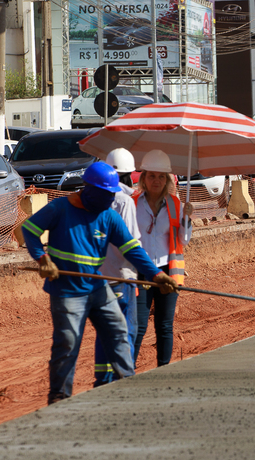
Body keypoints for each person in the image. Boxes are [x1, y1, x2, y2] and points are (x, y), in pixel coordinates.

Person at [22, 161, 176, 405]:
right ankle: (59, 396)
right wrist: (42, 259)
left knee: (118, 332)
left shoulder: (109, 216)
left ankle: (126, 382)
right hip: (67, 290)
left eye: (111, 195)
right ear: (88, 189)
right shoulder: (61, 208)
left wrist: (157, 275)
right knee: (69, 341)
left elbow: (132, 249)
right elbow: (29, 229)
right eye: (105, 194)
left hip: (97, 287)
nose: (109, 200)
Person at [133, 149, 193, 368]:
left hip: (168, 270)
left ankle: (164, 369)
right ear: (143, 178)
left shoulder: (176, 205)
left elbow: (184, 240)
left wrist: (187, 218)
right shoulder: (133, 203)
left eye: (161, 176)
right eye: (151, 176)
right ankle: (126, 372)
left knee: (164, 325)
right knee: (138, 325)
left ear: (167, 180)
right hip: (140, 271)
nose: (156, 180)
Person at [94, 148, 140, 386]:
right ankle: (124, 378)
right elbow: (132, 243)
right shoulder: (124, 201)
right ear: (130, 174)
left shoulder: (94, 197)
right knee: (126, 330)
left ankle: (102, 379)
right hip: (122, 277)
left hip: (98, 279)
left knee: (104, 330)